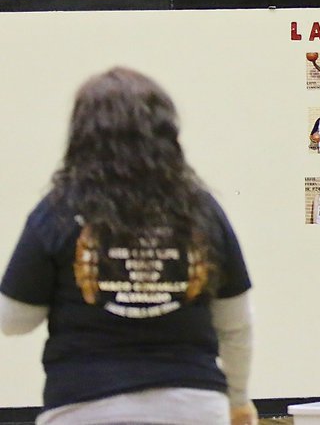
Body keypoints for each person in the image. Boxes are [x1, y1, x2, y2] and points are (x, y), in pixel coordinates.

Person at [0, 67, 255, 425]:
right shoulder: (203, 210)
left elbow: (15, 320)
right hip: (191, 406)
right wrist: (239, 401)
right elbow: (236, 324)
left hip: (83, 404)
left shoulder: (58, 210)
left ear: (82, 135)